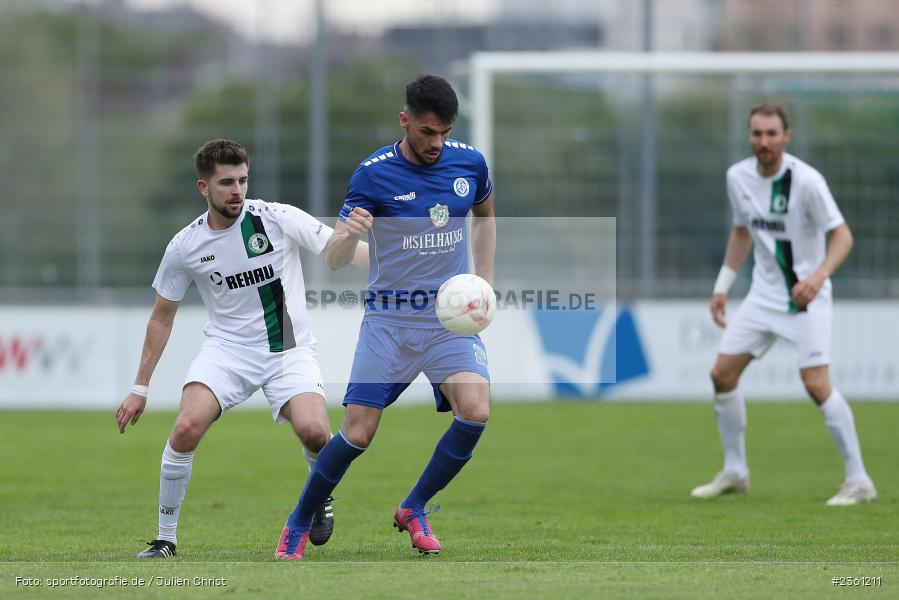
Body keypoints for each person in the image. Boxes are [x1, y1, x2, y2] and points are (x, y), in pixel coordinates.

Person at [274, 74, 496, 560]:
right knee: (358, 431)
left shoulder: (470, 163)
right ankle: (296, 522)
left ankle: (414, 508)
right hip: (389, 322)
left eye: (443, 132)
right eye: (426, 132)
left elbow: (485, 217)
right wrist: (348, 233)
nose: (436, 143)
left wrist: (482, 282)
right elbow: (332, 260)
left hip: (445, 320)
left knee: (476, 411)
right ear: (405, 121)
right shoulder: (372, 175)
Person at [115, 139, 368, 558]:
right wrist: (140, 387)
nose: (237, 190)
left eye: (243, 180)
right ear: (204, 187)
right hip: (227, 352)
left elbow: (340, 252)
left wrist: (389, 259)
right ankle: (165, 539)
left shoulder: (277, 218)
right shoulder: (185, 246)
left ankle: (319, 495)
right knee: (185, 427)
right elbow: (162, 315)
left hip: (288, 349)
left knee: (317, 433)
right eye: (227, 182)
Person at [691, 103, 876, 506]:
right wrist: (723, 286)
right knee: (722, 375)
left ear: (786, 137)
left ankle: (859, 480)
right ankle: (736, 472)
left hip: (805, 299)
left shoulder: (807, 182)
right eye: (757, 134)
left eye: (772, 134)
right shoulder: (737, 177)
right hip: (762, 296)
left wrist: (817, 277)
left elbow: (842, 236)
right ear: (749, 136)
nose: (764, 142)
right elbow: (742, 232)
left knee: (815, 384)